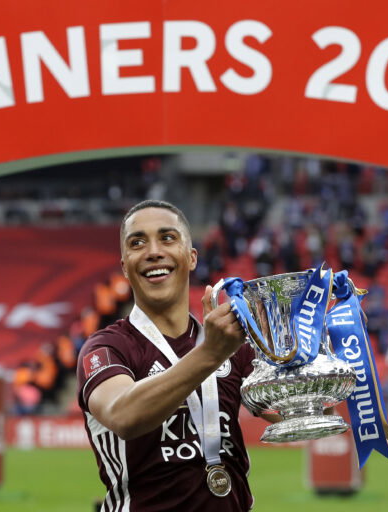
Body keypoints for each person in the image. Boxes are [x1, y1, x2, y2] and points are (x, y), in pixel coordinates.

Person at [77, 199, 275, 511]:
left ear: (191, 257)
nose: (153, 251)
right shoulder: (106, 348)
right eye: (137, 242)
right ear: (125, 266)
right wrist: (209, 355)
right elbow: (123, 416)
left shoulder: (230, 345)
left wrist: (310, 357)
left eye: (167, 238)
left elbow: (292, 415)